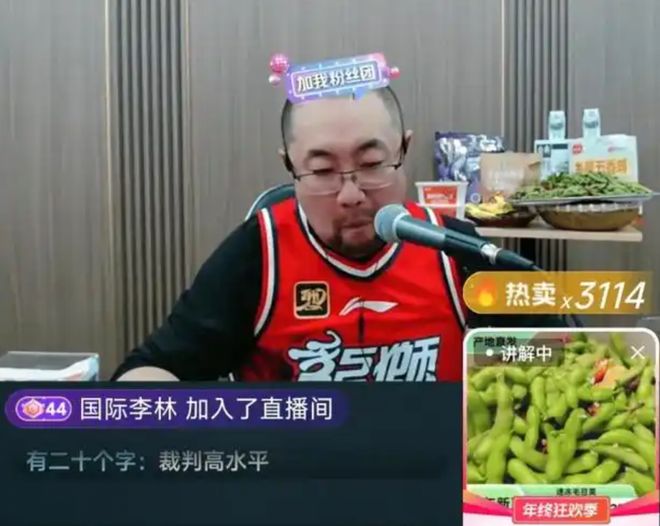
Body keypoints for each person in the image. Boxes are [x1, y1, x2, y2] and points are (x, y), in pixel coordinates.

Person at [112, 86, 567, 383]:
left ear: (404, 150)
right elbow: (153, 370)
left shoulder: (458, 251)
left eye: (371, 165)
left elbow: (560, 358)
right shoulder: (258, 253)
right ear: (290, 167)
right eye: (322, 171)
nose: (351, 195)